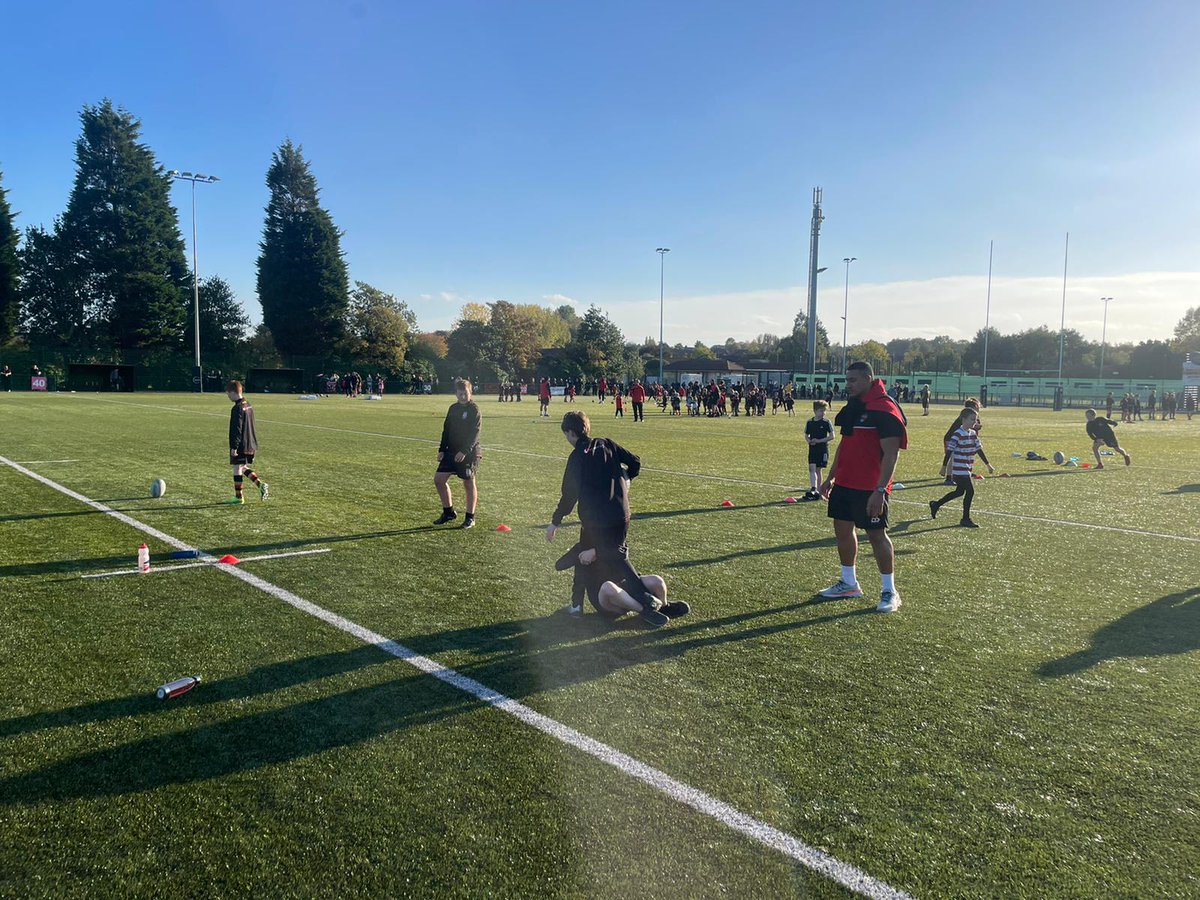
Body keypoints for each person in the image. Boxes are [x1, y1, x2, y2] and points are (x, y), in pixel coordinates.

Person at [545, 411, 668, 627]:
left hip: (596, 521)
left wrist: (555, 521)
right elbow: (635, 462)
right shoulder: (607, 444)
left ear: (571, 433)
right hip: (622, 515)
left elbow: (569, 494)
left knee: (589, 552)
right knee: (617, 555)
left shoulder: (577, 456)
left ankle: (642, 604)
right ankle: (649, 599)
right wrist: (627, 477)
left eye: (566, 435)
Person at [818, 361, 908, 613]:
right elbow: (845, 446)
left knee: (877, 535)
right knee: (842, 530)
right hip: (845, 482)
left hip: (871, 487)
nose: (848, 385)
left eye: (853, 380)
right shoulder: (854, 407)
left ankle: (890, 591)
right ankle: (849, 583)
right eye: (847, 380)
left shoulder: (885, 408)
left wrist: (880, 490)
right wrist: (830, 477)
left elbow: (891, 454)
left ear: (868, 378)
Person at [555, 540, 690, 621]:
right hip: (606, 599)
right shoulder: (582, 548)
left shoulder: (615, 543)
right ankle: (645, 610)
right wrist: (579, 554)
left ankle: (664, 608)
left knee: (656, 580)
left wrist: (598, 551)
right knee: (608, 586)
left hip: (628, 589)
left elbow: (625, 560)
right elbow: (559, 565)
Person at [929, 406, 993, 527]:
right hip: (959, 469)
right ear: (963, 419)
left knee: (959, 492)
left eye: (975, 420)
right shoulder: (957, 434)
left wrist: (988, 464)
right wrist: (943, 467)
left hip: (967, 468)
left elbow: (979, 450)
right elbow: (949, 451)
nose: (974, 422)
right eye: (971, 419)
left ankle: (936, 504)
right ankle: (965, 519)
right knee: (970, 491)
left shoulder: (973, 434)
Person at [434, 379, 482, 528]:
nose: (462, 397)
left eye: (465, 393)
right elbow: (446, 430)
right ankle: (448, 512)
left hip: (468, 452)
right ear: (456, 394)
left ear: (470, 392)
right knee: (439, 480)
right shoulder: (453, 408)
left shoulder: (474, 409)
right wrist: (442, 449)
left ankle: (470, 517)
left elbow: (475, 434)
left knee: (468, 483)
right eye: (460, 394)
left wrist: (464, 451)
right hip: (451, 451)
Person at [226, 380, 269, 504]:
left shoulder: (237, 408)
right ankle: (261, 485)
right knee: (242, 467)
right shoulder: (248, 404)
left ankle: (239, 497)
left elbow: (237, 428)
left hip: (242, 444)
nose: (228, 396)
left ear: (234, 392)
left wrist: (234, 447)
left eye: (228, 394)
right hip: (250, 442)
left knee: (236, 468)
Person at [940, 398, 983, 484]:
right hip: (951, 439)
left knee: (966, 456)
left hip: (960, 440)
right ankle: (948, 478)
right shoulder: (965, 417)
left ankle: (964, 473)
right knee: (952, 458)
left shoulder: (973, 417)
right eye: (977, 406)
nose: (979, 408)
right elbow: (964, 428)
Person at [803, 400, 834, 501]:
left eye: (825, 411)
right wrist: (809, 441)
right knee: (811, 468)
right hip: (812, 449)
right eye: (821, 410)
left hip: (822, 449)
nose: (823, 413)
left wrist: (819, 441)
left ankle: (820, 491)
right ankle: (814, 488)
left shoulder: (826, 422)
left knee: (818, 469)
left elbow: (832, 436)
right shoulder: (810, 422)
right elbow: (806, 435)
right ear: (815, 411)